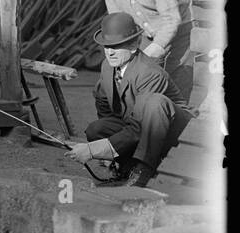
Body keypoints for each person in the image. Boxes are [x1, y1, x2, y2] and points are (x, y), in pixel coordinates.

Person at [64, 13, 191, 188]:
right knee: (97, 129)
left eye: (115, 47)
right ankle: (126, 168)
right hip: (139, 125)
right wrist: (109, 151)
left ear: (133, 46)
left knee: (154, 102)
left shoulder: (149, 73)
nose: (109, 52)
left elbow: (141, 127)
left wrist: (94, 150)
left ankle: (144, 170)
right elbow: (103, 105)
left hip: (173, 132)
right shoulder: (108, 66)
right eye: (106, 46)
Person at [99, 0, 194, 106]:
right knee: (139, 74)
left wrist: (155, 49)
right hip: (146, 33)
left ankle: (178, 118)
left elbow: (171, 20)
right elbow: (120, 22)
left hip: (179, 30)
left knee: (176, 76)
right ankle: (139, 120)